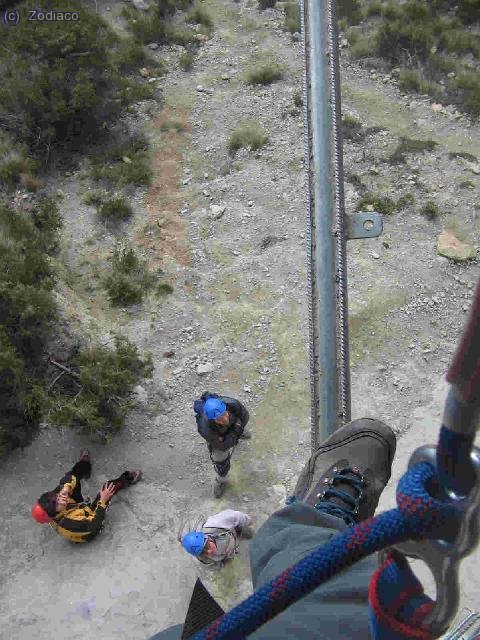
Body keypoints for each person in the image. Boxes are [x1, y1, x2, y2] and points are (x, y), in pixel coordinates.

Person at [148, 417, 397, 639]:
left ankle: (312, 529)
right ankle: (314, 532)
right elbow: (213, 560)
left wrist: (245, 522)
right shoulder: (207, 557)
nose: (209, 547)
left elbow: (235, 517)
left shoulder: (218, 523)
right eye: (206, 549)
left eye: (207, 543)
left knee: (271, 551)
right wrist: (223, 557)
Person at [31, 449, 142, 543]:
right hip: (90, 526)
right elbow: (93, 523)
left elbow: (69, 478)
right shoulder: (69, 523)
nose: (61, 497)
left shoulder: (53, 502)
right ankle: (128, 479)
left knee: (72, 477)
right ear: (54, 514)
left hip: (76, 508)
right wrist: (102, 501)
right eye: (58, 502)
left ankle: (84, 466)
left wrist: (66, 487)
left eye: (57, 497)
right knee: (107, 488)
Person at [194, 392, 251, 498]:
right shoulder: (205, 428)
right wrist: (237, 428)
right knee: (220, 459)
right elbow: (223, 446)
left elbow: (245, 417)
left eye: (225, 414)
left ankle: (238, 433)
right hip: (225, 433)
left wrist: (238, 428)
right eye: (219, 418)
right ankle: (222, 479)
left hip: (231, 429)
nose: (225, 419)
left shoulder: (233, 404)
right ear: (212, 420)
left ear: (225, 409)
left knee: (234, 431)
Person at [181, 509, 254, 569]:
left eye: (207, 546)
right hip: (228, 551)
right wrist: (224, 563)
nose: (209, 551)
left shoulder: (216, 524)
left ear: (208, 538)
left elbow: (235, 516)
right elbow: (213, 566)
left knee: (249, 533)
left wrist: (247, 520)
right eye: (204, 552)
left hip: (232, 533)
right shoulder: (203, 561)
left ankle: (241, 532)